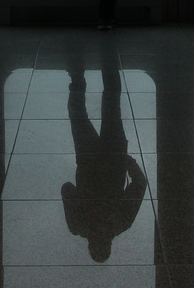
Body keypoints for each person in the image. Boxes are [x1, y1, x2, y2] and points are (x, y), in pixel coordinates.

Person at [61, 66, 147, 262]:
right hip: (89, 159)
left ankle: (109, 69)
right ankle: (78, 76)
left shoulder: (121, 223)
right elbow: (67, 188)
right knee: (79, 113)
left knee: (111, 104)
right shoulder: (78, 226)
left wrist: (126, 160)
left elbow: (140, 183)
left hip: (113, 158)